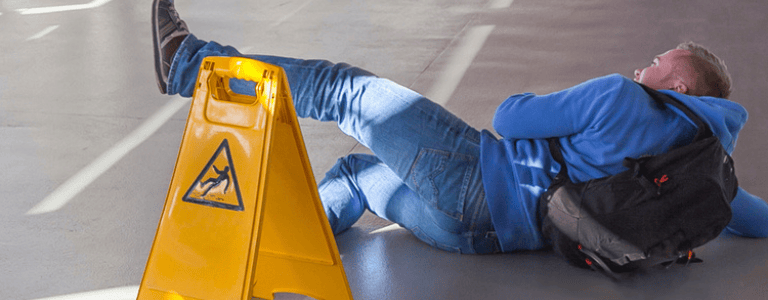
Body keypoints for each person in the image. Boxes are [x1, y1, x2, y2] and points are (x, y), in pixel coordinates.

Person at [152, 0, 768, 255]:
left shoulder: (621, 99)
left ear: (680, 85)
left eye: (655, 65)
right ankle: (273, 244)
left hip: (475, 179)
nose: (643, 67)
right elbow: (750, 217)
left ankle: (187, 63)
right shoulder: (705, 167)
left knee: (342, 89)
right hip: (485, 238)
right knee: (362, 177)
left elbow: (510, 115)